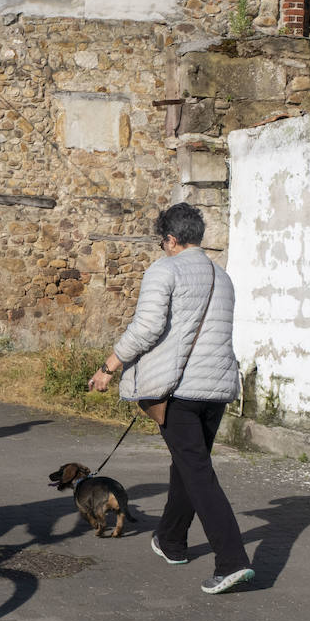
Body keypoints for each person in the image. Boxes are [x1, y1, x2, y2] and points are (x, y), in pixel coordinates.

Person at [86, 202, 254, 595]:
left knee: (198, 475)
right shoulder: (222, 276)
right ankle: (171, 541)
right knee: (188, 467)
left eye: (163, 241)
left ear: (172, 239)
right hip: (216, 390)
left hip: (178, 391)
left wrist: (108, 367)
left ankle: (232, 560)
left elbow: (146, 328)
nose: (163, 248)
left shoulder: (166, 268)